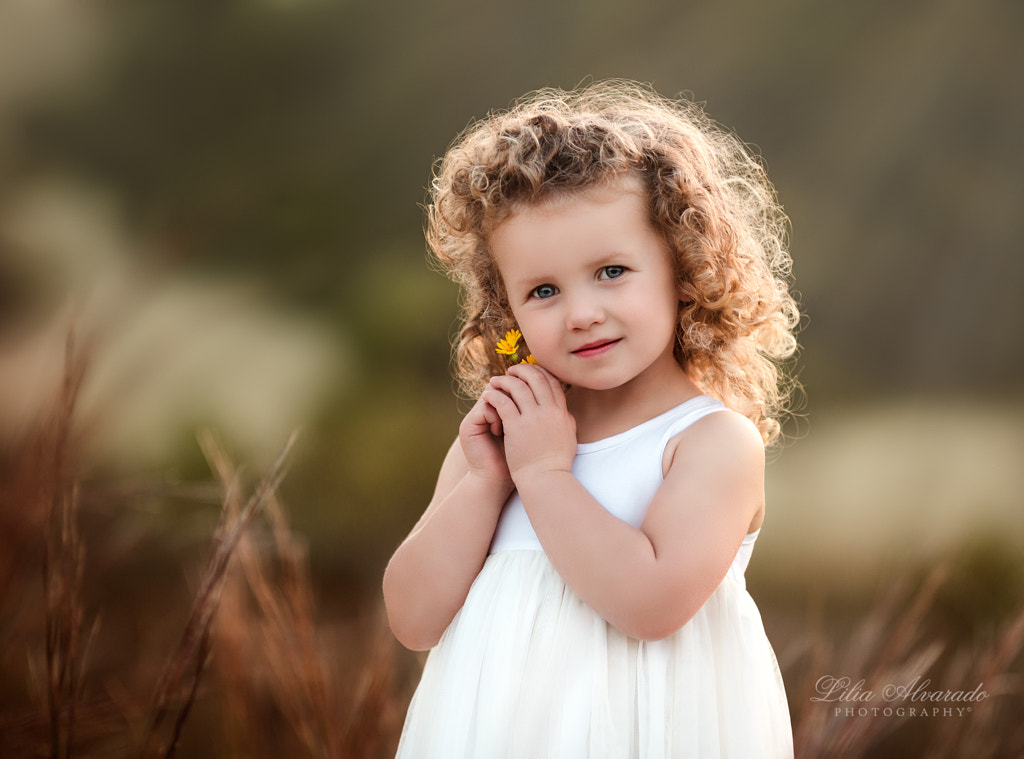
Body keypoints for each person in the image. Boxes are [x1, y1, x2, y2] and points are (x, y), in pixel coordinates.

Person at [383, 80, 799, 758]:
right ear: (508, 310)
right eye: (542, 290)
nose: (580, 312)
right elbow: (411, 618)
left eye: (611, 271)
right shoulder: (504, 439)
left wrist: (545, 476)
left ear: (683, 272)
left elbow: (652, 605)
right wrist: (490, 481)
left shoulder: (709, 443)